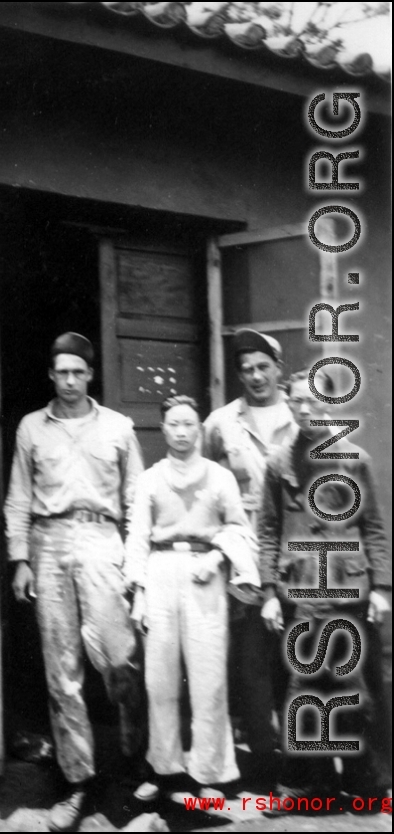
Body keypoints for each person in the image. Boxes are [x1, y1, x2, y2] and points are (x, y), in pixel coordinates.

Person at [4, 332, 145, 832]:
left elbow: (138, 500)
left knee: (118, 653)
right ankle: (78, 781)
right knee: (61, 667)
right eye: (60, 372)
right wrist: (20, 559)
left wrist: (137, 564)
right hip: (50, 544)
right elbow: (19, 497)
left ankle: (134, 762)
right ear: (50, 374)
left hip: (103, 541)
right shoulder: (31, 429)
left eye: (77, 372)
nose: (68, 381)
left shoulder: (118, 427)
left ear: (90, 375)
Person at [259, 368, 392, 808]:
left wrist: (381, 588)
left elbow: (373, 527)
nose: (305, 409)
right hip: (299, 591)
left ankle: (367, 783)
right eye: (296, 402)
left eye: (313, 402)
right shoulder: (278, 462)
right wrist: (267, 592)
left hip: (347, 589)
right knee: (302, 686)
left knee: (350, 685)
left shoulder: (353, 459)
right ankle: (304, 783)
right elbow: (268, 529)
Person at [124, 395, 259, 800]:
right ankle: (164, 770)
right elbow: (137, 538)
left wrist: (218, 556)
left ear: (199, 429)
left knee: (208, 679)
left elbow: (240, 529)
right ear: (163, 429)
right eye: (174, 425)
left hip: (204, 575)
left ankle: (209, 774)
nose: (181, 433)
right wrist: (139, 593)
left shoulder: (219, 477)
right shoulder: (150, 478)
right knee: (159, 681)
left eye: (189, 424)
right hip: (161, 573)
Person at [203, 328, 296, 786]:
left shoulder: (302, 417)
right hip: (245, 556)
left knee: (298, 656)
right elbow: (204, 486)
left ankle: (302, 762)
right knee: (252, 665)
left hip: (295, 553)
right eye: (246, 369)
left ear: (278, 368)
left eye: (263, 367)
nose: (255, 376)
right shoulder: (220, 424)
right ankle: (264, 764)